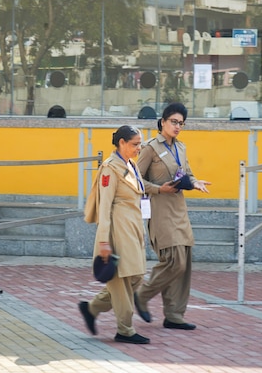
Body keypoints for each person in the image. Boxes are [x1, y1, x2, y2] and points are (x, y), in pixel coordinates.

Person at [135, 103, 210, 331]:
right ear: (163, 122)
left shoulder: (181, 147)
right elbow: (135, 180)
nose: (178, 126)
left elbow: (186, 173)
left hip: (178, 208)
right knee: (174, 260)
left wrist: (195, 182)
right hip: (160, 209)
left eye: (181, 123)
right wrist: (159, 189)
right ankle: (141, 295)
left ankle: (175, 314)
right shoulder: (149, 148)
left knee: (184, 262)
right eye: (174, 122)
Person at [78, 125, 151, 344]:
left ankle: (91, 308)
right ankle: (125, 330)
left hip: (133, 228)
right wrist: (103, 242)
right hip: (117, 231)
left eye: (140, 144)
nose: (139, 148)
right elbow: (104, 207)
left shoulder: (131, 165)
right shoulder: (110, 168)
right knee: (120, 281)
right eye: (134, 144)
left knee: (135, 277)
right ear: (121, 143)